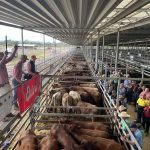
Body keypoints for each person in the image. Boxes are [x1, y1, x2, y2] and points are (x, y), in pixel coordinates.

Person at [0, 44, 18, 117]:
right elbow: (1, 62)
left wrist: (15, 50)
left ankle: (8, 113)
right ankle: (3, 115)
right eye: (1, 56)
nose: (3, 57)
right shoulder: (1, 63)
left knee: (9, 98)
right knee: (4, 99)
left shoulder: (3, 63)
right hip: (2, 85)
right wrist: (4, 55)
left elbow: (10, 58)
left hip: (6, 83)